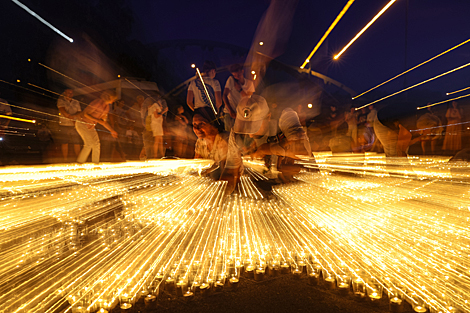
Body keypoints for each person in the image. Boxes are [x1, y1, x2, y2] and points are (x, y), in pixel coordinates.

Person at [222, 96, 312, 191]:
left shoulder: (285, 117)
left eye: (254, 127)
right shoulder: (236, 134)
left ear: (268, 117)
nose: (250, 135)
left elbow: (303, 152)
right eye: (244, 127)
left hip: (292, 189)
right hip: (256, 191)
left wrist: (266, 149)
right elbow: (231, 172)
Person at [75, 91, 118, 163]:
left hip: (91, 126)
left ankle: (95, 163)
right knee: (89, 144)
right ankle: (79, 163)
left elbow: (103, 122)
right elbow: (85, 114)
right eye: (113, 98)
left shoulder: (107, 107)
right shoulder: (97, 103)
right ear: (108, 97)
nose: (114, 100)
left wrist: (112, 130)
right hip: (82, 123)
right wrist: (97, 120)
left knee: (96, 144)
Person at [193, 107, 228, 179]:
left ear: (212, 123)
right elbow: (197, 164)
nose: (197, 128)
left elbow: (226, 172)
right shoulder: (200, 141)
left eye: (201, 124)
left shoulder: (224, 140)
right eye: (194, 124)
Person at [222, 64, 255, 131]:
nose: (237, 77)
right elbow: (224, 95)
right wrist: (230, 110)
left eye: (238, 75)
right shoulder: (231, 80)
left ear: (242, 71)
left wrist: (240, 90)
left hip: (242, 114)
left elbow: (248, 99)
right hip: (230, 113)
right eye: (234, 75)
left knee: (241, 133)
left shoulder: (249, 84)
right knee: (229, 134)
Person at [56, 89, 82, 162]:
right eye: (68, 93)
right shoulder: (61, 101)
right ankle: (65, 160)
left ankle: (79, 159)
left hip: (75, 125)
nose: (70, 94)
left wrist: (74, 119)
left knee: (77, 142)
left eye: (71, 93)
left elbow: (79, 113)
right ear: (65, 93)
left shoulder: (76, 102)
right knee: (65, 142)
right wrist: (73, 118)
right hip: (64, 124)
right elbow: (64, 112)